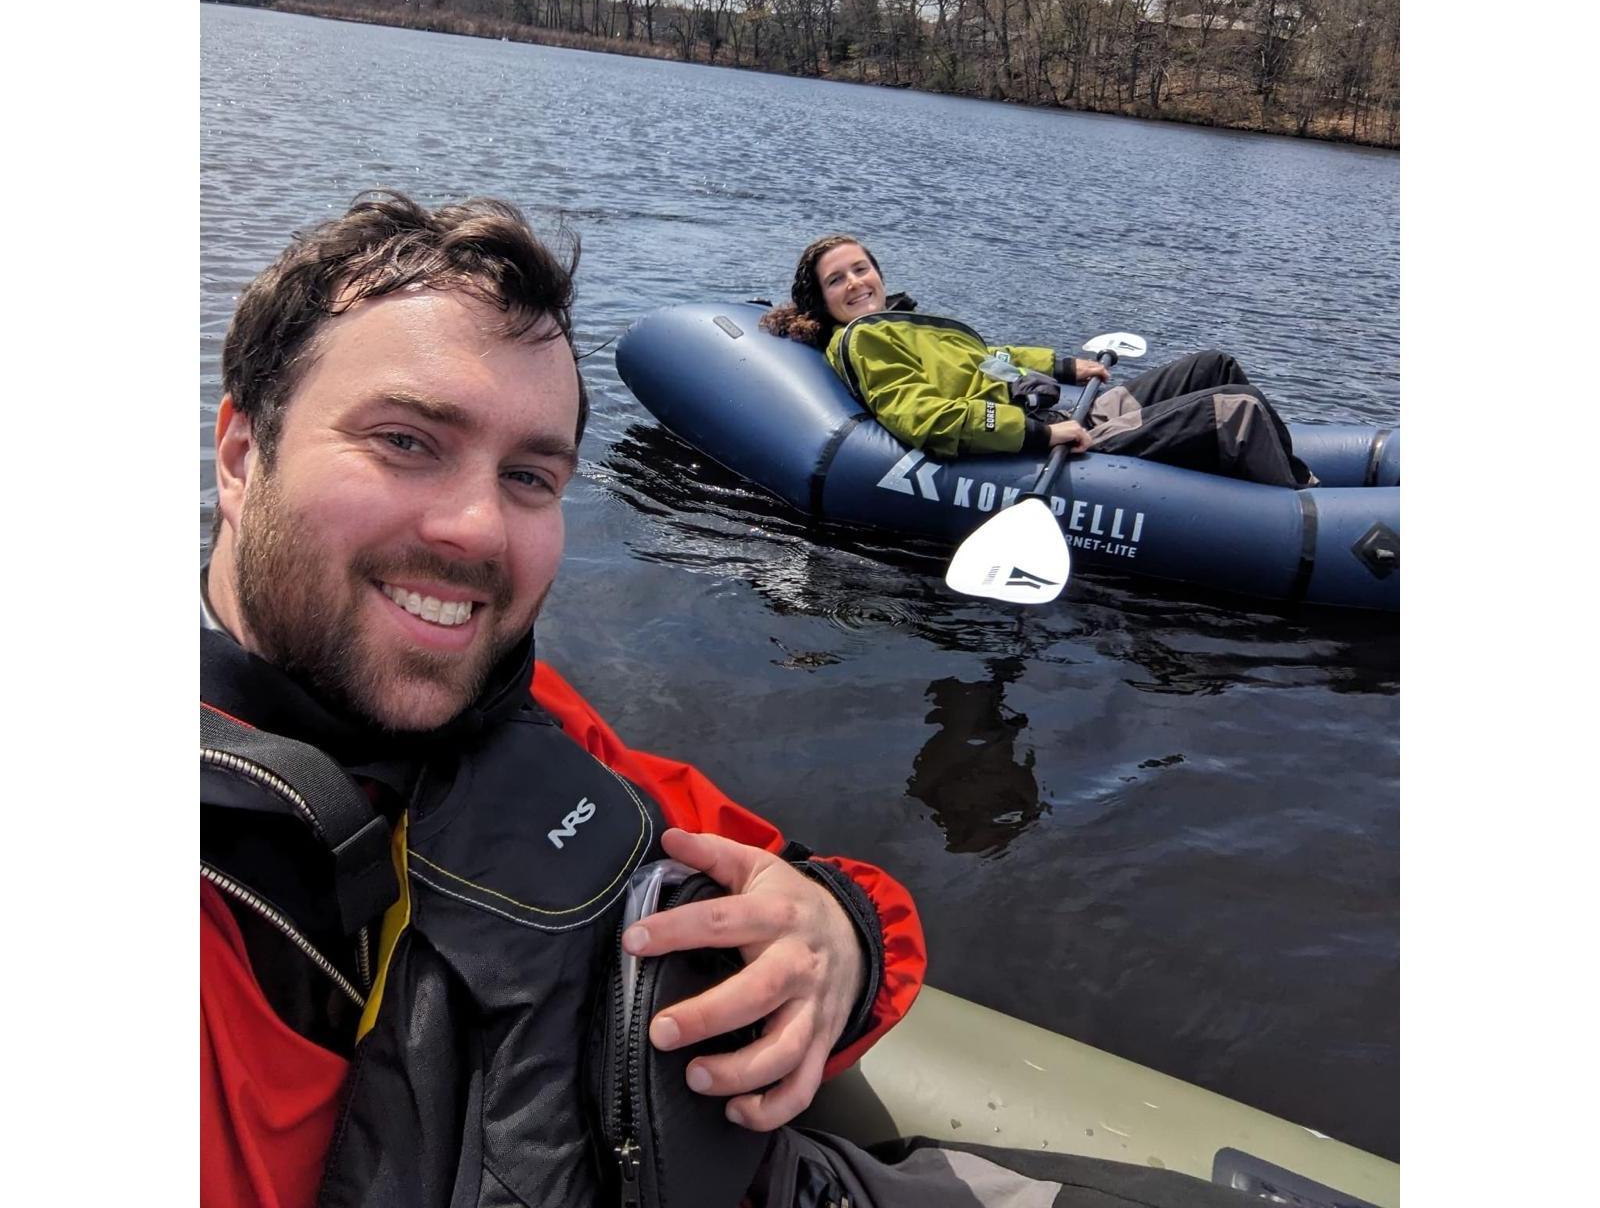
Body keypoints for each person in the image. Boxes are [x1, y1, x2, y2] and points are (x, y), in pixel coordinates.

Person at [199, 193, 1265, 1208]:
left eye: (531, 476)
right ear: (244, 454)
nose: (477, 530)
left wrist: (833, 941)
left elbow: (813, 883)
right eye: (405, 441)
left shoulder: (518, 712)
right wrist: (1032, 437)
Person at [761, 233, 1315, 487]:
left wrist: (1064, 367)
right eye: (838, 279)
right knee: (1232, 409)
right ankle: (1299, 503)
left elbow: (987, 360)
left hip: (1051, 416)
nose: (856, 282)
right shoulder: (864, 340)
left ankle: (1290, 473)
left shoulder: (903, 325)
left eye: (861, 268)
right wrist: (1034, 433)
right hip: (1035, 445)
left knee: (1213, 366)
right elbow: (922, 418)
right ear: (823, 301)